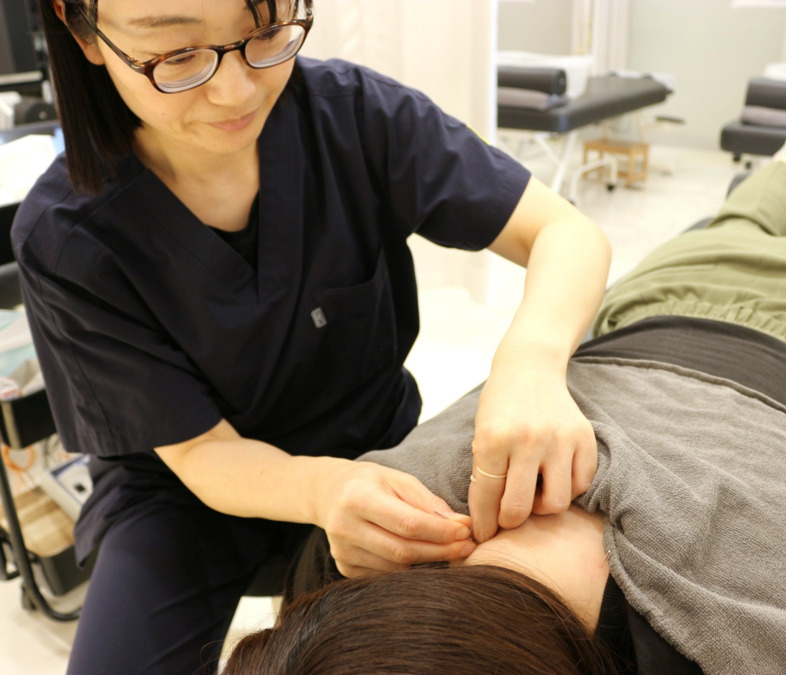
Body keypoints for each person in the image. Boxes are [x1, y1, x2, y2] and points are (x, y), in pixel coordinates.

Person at [13, 1, 612, 672]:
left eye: (265, 33)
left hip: (374, 444)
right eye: (177, 57)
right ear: (82, 30)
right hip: (184, 494)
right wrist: (324, 491)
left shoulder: (355, 116)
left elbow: (565, 233)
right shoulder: (68, 233)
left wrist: (530, 364)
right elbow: (202, 456)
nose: (235, 89)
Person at [222, 130, 786, 674]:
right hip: (736, 316)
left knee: (778, 220)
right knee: (761, 221)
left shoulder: (355, 541)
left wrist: (530, 361)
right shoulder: (347, 556)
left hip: (739, 317)